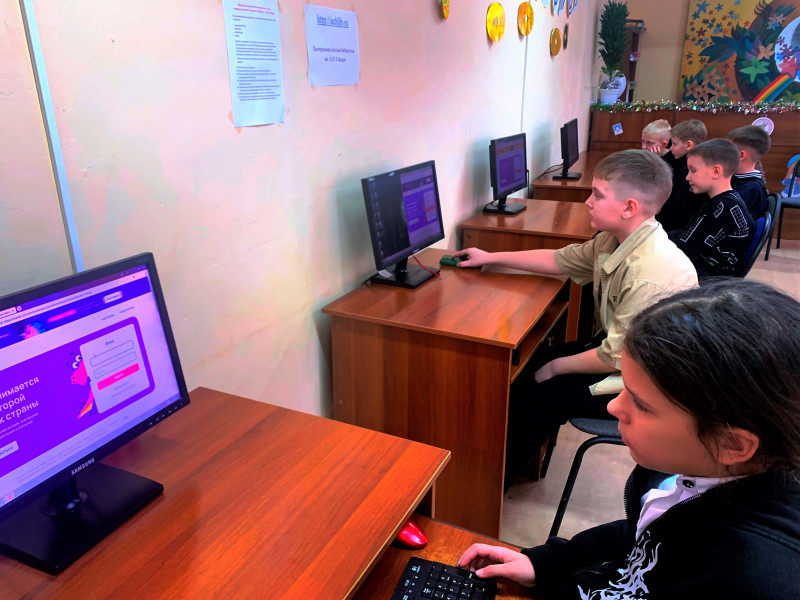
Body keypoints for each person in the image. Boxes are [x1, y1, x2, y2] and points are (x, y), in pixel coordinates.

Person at [457, 279, 800, 598]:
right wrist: (547, 563)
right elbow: (644, 536)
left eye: (641, 403)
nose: (613, 406)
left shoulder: (749, 579)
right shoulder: (687, 473)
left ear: (732, 445)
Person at [455, 150, 697, 490]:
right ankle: (491, 461)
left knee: (541, 395)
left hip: (647, 382)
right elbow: (560, 260)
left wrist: (555, 369)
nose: (588, 202)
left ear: (629, 207)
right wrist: (490, 257)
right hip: (624, 355)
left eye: (597, 194)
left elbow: (617, 357)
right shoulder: (615, 239)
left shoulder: (649, 273)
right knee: (531, 365)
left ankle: (487, 488)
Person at [670, 138, 755, 279]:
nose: (687, 177)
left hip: (710, 277)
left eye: (693, 171)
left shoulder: (722, 208)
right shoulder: (728, 201)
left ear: (716, 171)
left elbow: (686, 249)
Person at [656, 119, 707, 232]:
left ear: (689, 145)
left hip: (677, 225)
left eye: (674, 144)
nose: (671, 148)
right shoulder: (676, 158)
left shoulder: (691, 169)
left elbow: (679, 206)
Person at [727, 125, 771, 218]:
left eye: (726, 151)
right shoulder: (736, 179)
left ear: (741, 155)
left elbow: (723, 212)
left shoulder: (752, 189)